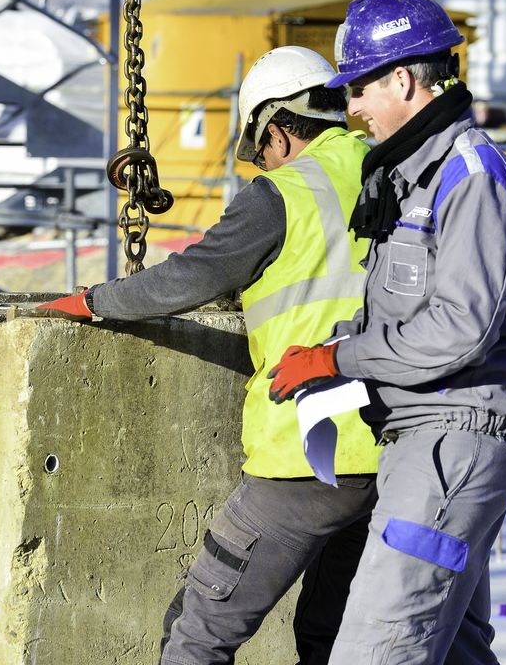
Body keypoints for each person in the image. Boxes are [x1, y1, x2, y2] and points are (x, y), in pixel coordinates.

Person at [37, 46, 380, 664]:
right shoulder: (393, 171)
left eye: (262, 146)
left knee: (197, 634)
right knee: (333, 636)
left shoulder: (280, 192)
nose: (264, 161)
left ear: (276, 129)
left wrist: (95, 301)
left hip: (306, 447)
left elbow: (188, 279)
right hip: (392, 449)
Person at [267, 0, 506, 664]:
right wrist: (335, 350)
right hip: (423, 444)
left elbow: (460, 331)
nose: (351, 110)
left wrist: (340, 361)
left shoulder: (470, 176)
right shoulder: (411, 179)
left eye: (358, 87)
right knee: (453, 653)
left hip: (453, 444)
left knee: (376, 651)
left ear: (404, 78)